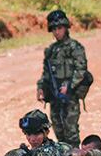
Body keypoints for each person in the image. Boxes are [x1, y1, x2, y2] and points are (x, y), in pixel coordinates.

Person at [36, 10, 88, 146]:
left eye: (59, 28)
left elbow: (81, 70)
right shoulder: (50, 50)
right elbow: (45, 73)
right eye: (54, 29)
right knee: (58, 131)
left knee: (71, 133)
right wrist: (41, 88)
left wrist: (69, 85)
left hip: (70, 96)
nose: (56, 32)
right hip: (54, 96)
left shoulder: (75, 47)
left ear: (66, 28)